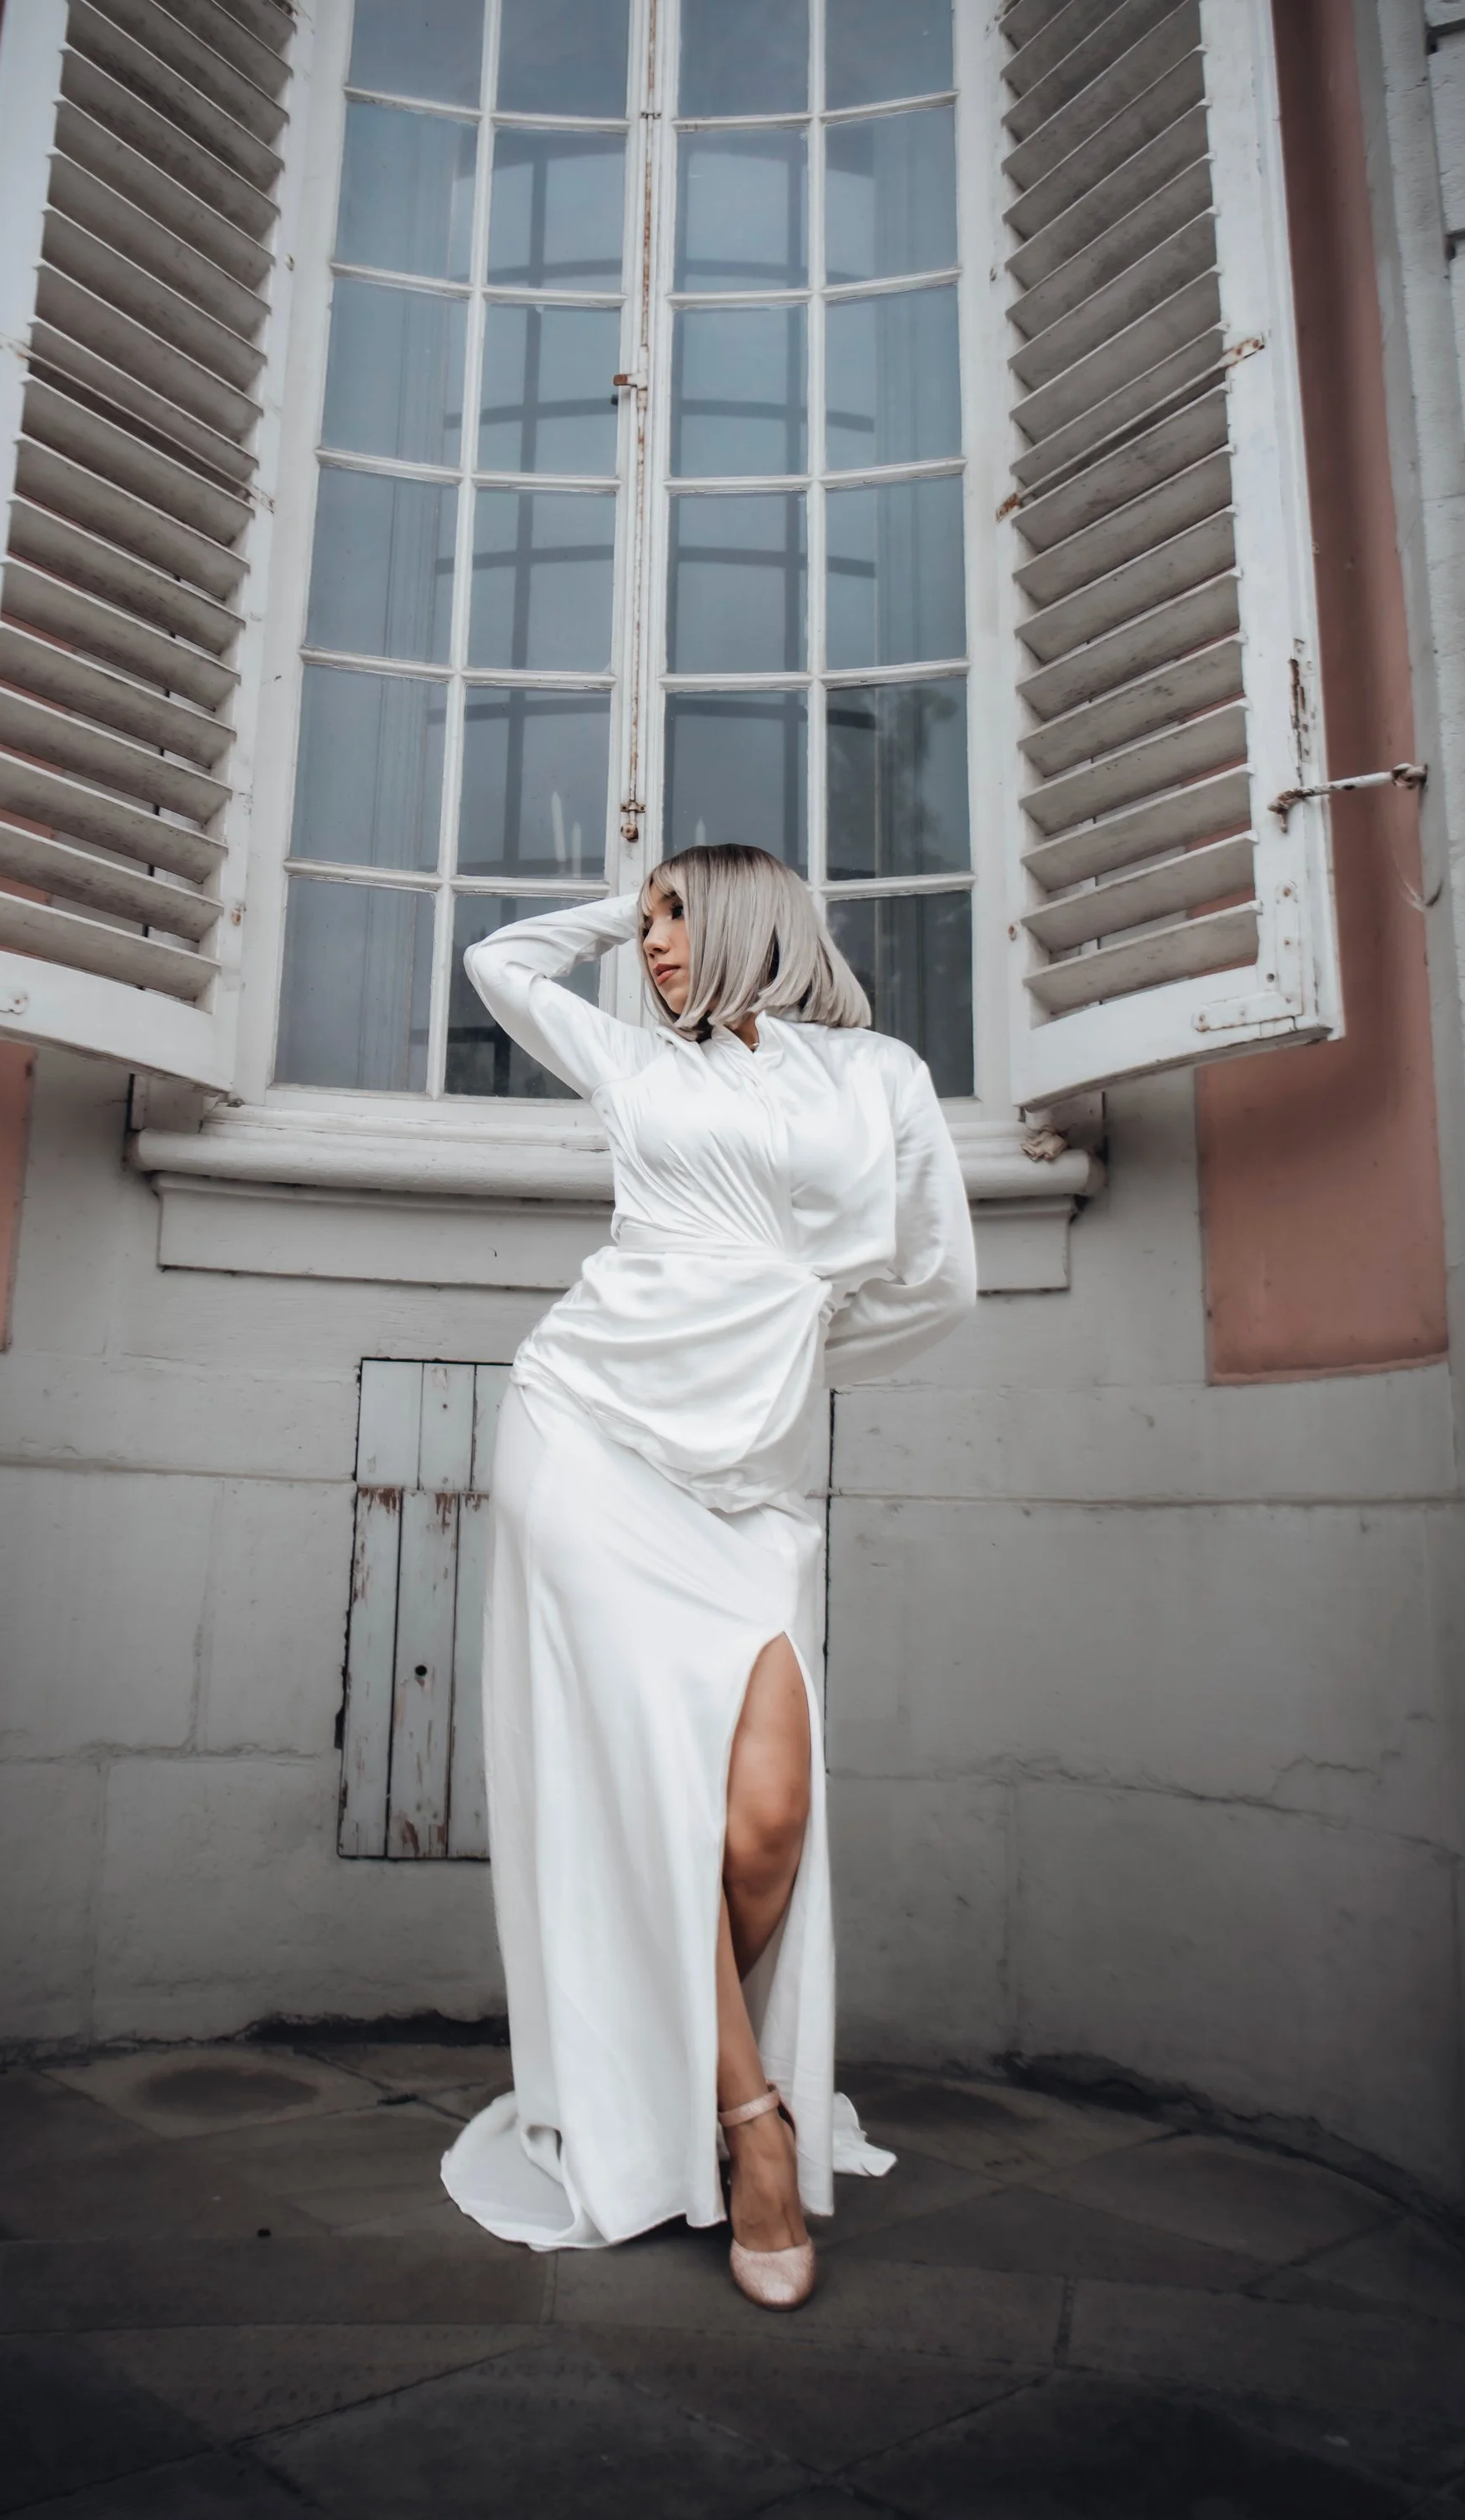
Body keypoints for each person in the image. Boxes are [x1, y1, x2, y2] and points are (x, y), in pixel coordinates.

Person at [439, 846, 976, 2307]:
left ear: (751, 918)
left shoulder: (877, 1078)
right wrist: (621, 903)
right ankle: (748, 2123)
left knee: (763, 1823)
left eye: (682, 915)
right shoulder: (631, 1062)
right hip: (586, 1436)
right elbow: (499, 968)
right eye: (652, 919)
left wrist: (791, 1349)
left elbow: (937, 1278)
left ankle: (675, 2068)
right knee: (639, 1801)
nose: (657, 944)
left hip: (745, 1492)